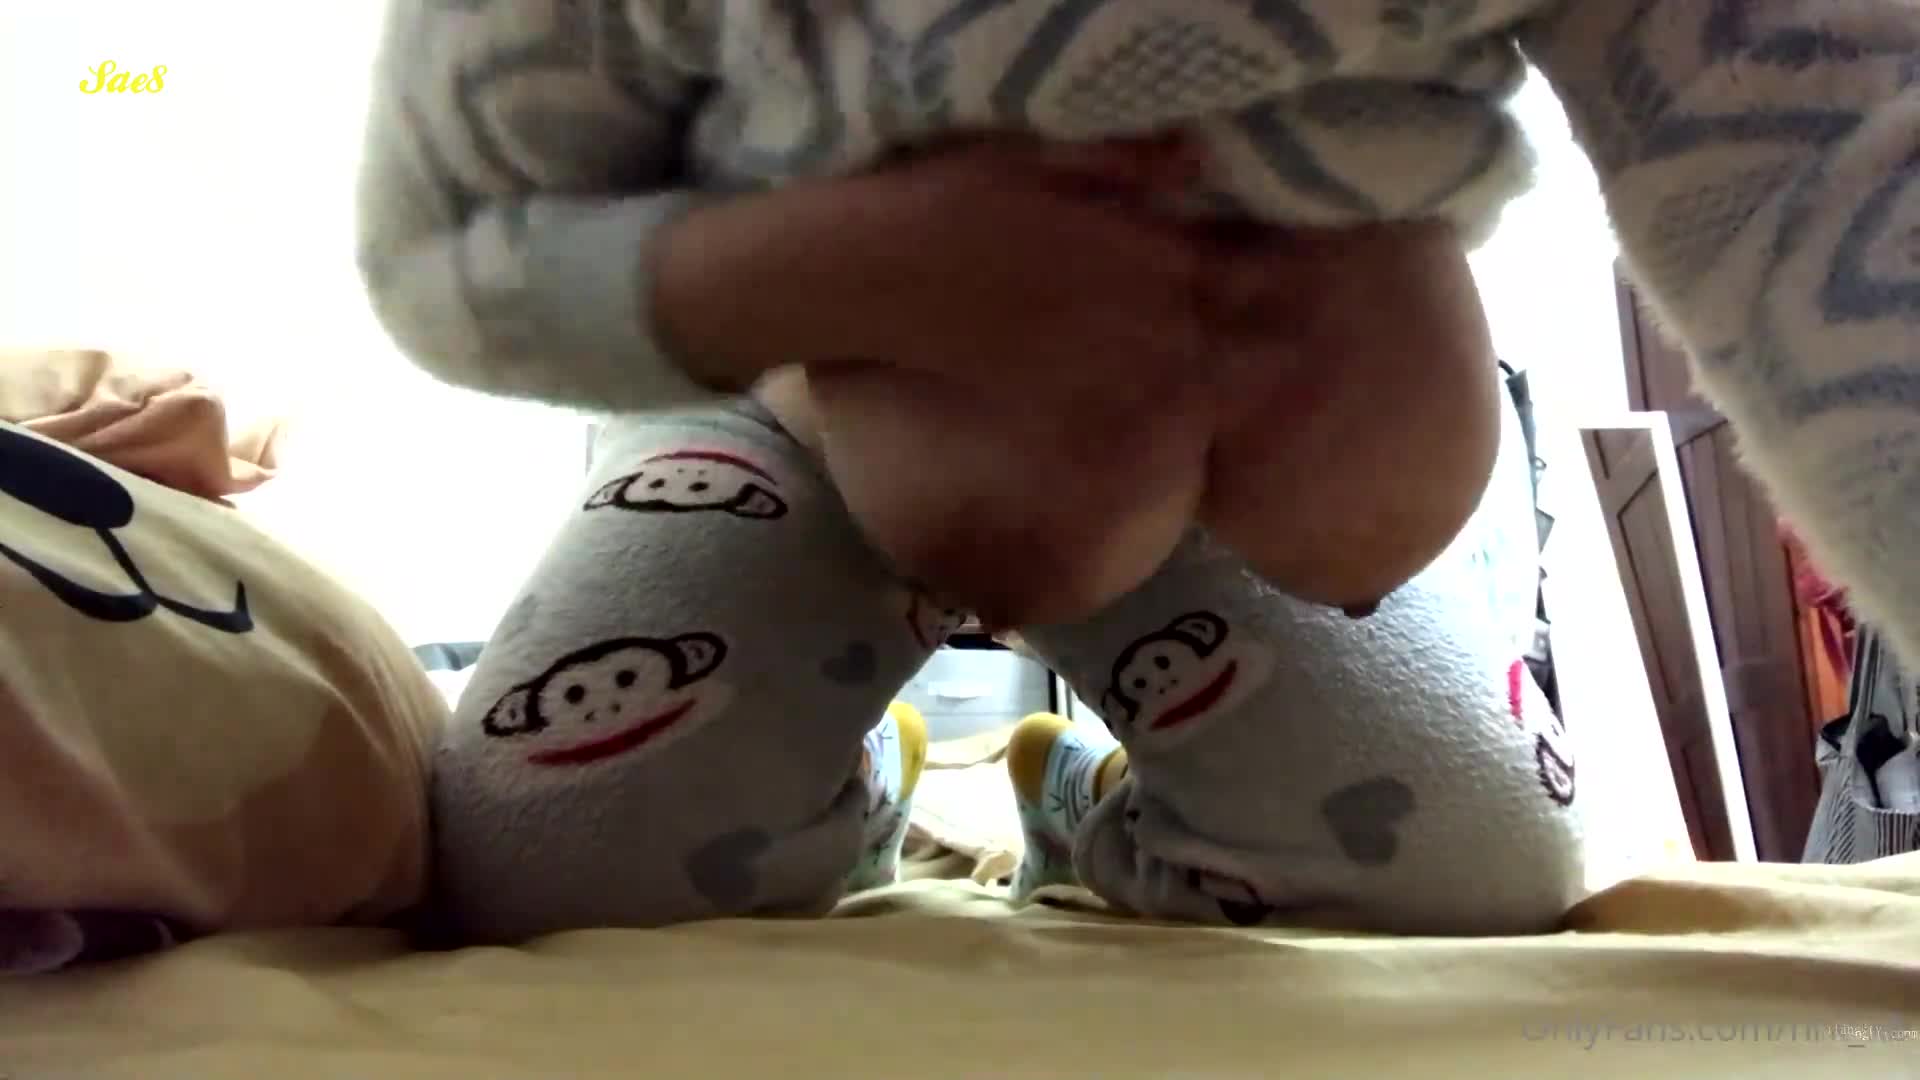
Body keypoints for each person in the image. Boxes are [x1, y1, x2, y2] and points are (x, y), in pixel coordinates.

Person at [358, 0, 1916, 942]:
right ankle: (856, 773)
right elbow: (447, 247)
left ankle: (1073, 803)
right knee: (543, 852)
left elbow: (1838, 182)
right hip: (759, 392)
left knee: (1468, 865)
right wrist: (831, 284)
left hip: (1221, 438)